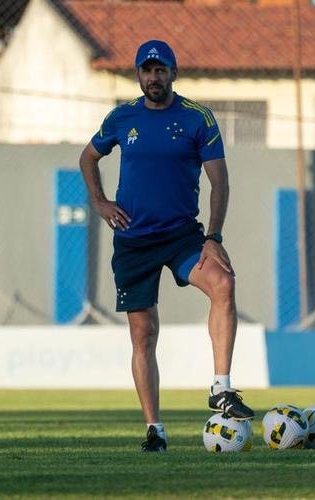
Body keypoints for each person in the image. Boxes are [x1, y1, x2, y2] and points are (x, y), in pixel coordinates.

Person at [78, 40, 254, 452]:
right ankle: (155, 430)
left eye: (161, 70)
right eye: (146, 70)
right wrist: (100, 202)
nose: (153, 77)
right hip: (134, 242)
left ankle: (221, 388)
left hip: (182, 237)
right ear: (138, 75)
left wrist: (213, 236)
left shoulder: (197, 118)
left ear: (173, 73)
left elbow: (220, 182)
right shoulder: (122, 117)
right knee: (144, 336)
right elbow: (88, 158)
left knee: (223, 283)